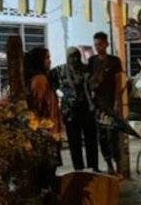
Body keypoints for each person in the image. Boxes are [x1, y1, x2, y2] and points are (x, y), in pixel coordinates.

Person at [50, 47, 100, 172]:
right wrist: (61, 93)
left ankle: (93, 166)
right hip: (70, 110)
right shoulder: (59, 70)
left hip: (87, 108)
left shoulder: (86, 69)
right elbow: (51, 83)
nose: (74, 59)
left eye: (76, 56)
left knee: (91, 140)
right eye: (71, 56)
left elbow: (94, 84)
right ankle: (79, 169)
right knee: (74, 142)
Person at [26, 46, 63, 193]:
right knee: (46, 171)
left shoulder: (42, 78)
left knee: (48, 170)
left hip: (49, 130)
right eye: (47, 58)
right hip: (46, 132)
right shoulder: (40, 80)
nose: (50, 61)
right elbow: (37, 107)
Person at [87, 31, 124, 175]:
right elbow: (89, 82)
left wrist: (117, 101)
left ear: (107, 44)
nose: (98, 47)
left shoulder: (115, 61)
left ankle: (118, 163)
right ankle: (109, 164)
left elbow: (118, 82)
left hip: (111, 102)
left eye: (101, 44)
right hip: (98, 103)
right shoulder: (92, 61)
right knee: (102, 135)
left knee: (113, 134)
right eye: (96, 44)